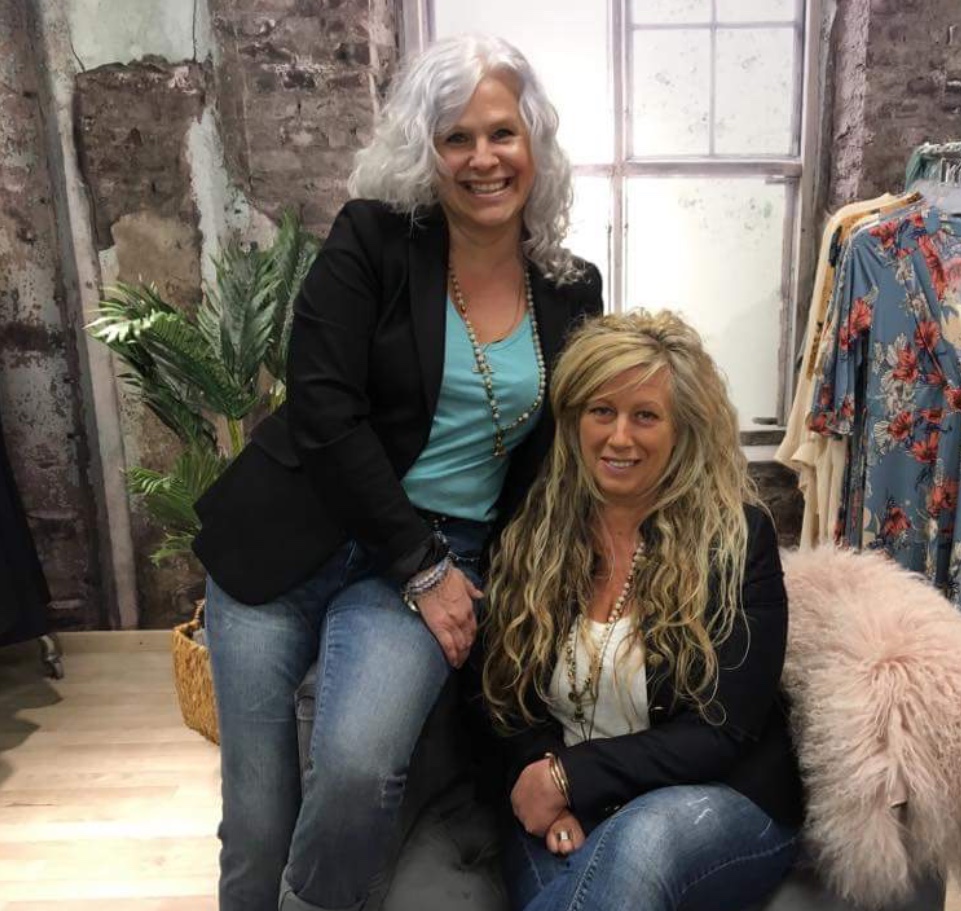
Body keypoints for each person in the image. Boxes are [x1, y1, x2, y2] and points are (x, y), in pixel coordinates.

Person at [191, 35, 602, 911]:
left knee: (357, 772)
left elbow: (559, 457)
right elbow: (322, 405)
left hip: (438, 558)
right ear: (427, 149)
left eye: (502, 133)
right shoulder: (373, 239)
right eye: (457, 137)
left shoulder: (571, 290)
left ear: (534, 142)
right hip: (293, 538)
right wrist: (417, 562)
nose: (483, 158)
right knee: (257, 821)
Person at [480, 311, 804, 911]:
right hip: (560, 797)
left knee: (638, 842)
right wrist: (541, 772)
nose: (619, 437)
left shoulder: (736, 540)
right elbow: (504, 696)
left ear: (682, 429)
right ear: (574, 421)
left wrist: (572, 778)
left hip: (714, 796)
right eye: (602, 411)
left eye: (646, 416)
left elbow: (723, 727)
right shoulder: (534, 534)